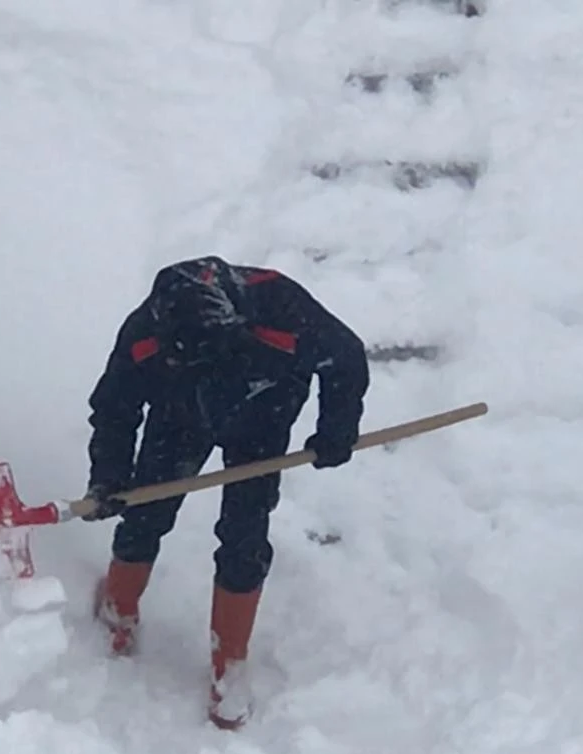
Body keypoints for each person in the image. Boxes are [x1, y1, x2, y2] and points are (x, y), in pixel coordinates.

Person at [81, 255, 370, 729]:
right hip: (179, 420)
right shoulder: (144, 336)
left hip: (263, 415)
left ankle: (229, 664)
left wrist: (336, 429)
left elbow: (345, 357)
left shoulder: (279, 304)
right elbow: (115, 409)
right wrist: (109, 476)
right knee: (147, 510)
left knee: (244, 534)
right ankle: (119, 607)